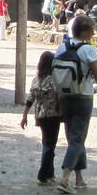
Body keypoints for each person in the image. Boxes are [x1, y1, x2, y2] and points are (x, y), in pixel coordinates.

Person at [52, 14, 97, 193]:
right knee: (78, 138)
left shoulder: (62, 46)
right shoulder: (88, 50)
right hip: (83, 96)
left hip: (64, 96)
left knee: (75, 137)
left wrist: (57, 98)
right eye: (92, 30)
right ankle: (65, 178)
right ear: (85, 31)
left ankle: (79, 178)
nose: (94, 33)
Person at [19, 50, 63, 185]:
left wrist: (24, 116)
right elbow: (60, 96)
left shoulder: (36, 79)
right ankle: (43, 175)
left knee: (47, 142)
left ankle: (50, 173)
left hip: (40, 115)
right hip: (53, 115)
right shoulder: (55, 80)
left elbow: (30, 99)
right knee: (50, 145)